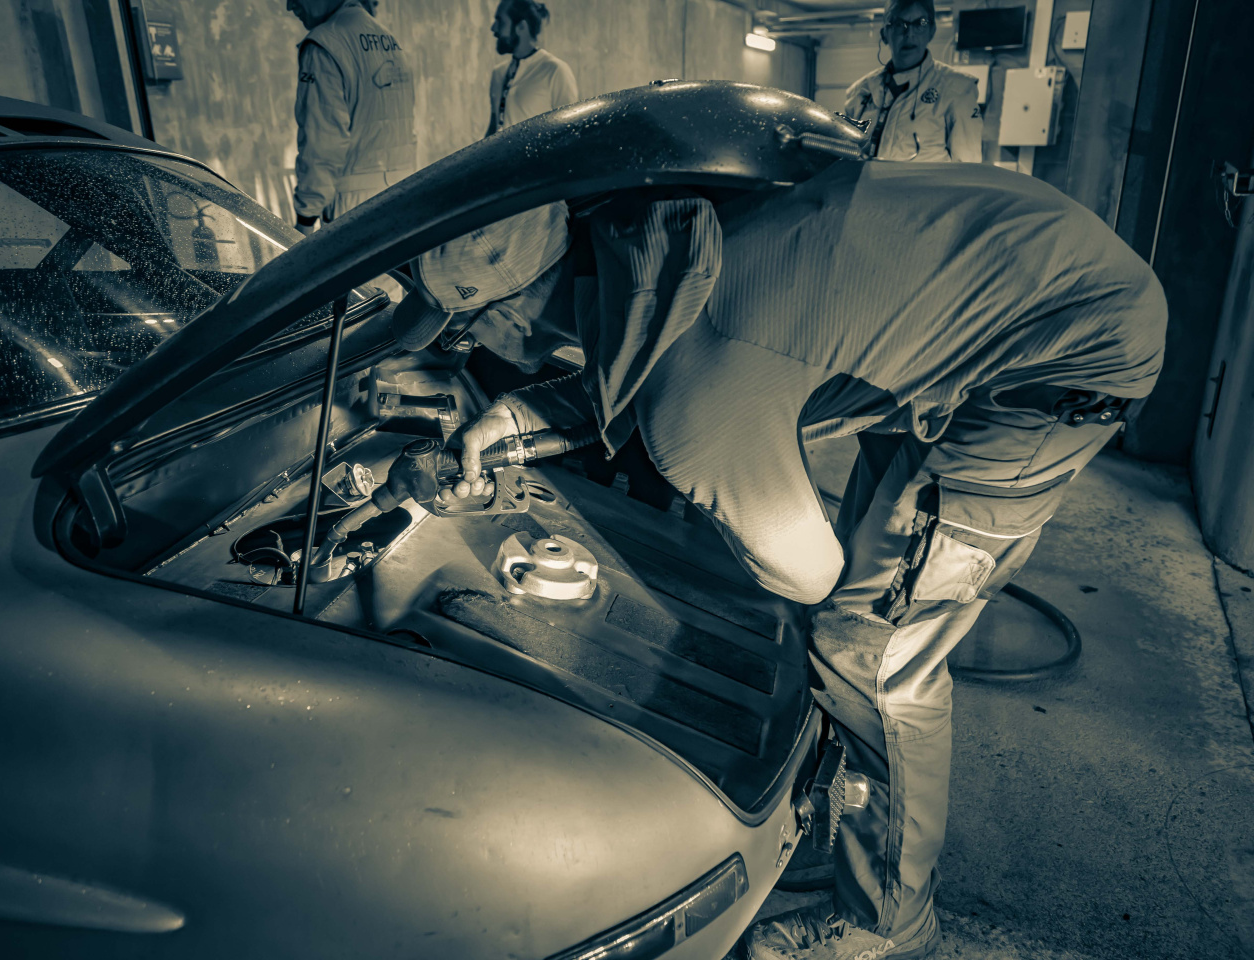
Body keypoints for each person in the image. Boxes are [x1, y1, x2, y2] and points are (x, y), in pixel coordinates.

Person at [432, 162, 1166, 959]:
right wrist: (511, 421)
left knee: (872, 652)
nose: (466, 345)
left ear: (505, 316)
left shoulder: (697, 407)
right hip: (1008, 282)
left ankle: (889, 922)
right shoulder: (659, 237)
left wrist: (729, 539)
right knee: (865, 597)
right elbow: (637, 354)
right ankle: (856, 818)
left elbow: (805, 573)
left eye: (463, 329)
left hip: (1066, 351)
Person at [287, 0, 416, 236]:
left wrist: (305, 219)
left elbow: (322, 142)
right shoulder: (390, 41)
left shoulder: (324, 45)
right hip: (404, 199)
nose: (289, 5)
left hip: (354, 210)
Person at [844, 0, 982, 162]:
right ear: (884, 34)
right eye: (899, 24)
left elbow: (968, 167)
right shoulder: (861, 91)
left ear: (932, 31)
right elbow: (846, 156)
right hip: (868, 179)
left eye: (920, 23)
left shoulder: (957, 89)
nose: (909, 33)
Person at [486, 0, 578, 137]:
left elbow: (570, 132)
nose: (494, 28)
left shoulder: (555, 71)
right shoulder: (498, 73)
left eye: (501, 22)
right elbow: (493, 129)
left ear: (521, 26)